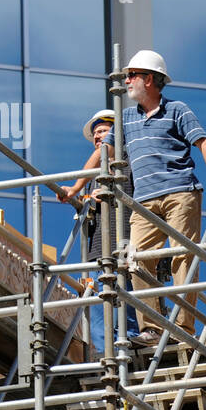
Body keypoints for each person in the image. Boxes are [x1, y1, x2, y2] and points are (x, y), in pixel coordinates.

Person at [65, 52, 206, 341]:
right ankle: (152, 328)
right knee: (138, 259)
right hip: (144, 200)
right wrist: (76, 187)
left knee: (182, 257)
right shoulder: (126, 117)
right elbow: (103, 152)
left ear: (150, 79)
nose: (126, 81)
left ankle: (183, 327)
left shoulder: (177, 110)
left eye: (132, 75)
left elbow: (204, 143)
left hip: (180, 192)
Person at [59, 109, 141, 354]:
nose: (97, 138)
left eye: (103, 132)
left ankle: (132, 357)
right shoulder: (94, 175)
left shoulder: (128, 163)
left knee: (126, 311)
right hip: (98, 251)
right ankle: (108, 362)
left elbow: (140, 201)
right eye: (95, 134)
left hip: (123, 244)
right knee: (98, 312)